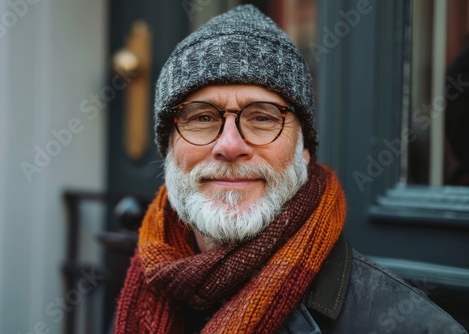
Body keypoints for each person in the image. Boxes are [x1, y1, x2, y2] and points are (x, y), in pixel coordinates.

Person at [114, 5, 467, 334]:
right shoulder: (146, 279)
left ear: (305, 150)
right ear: (169, 147)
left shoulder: (406, 323)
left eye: (263, 118)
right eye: (202, 118)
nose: (230, 145)